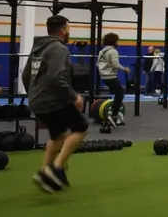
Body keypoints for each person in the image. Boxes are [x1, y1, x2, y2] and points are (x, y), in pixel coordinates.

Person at [24, 16, 89, 192]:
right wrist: (74, 97)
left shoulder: (38, 48)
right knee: (81, 126)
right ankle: (57, 168)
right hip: (51, 100)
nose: (69, 32)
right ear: (62, 31)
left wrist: (32, 95)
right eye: (68, 28)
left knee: (58, 135)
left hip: (37, 101)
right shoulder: (59, 48)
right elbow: (56, 77)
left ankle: (44, 171)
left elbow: (25, 75)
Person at [96, 33, 129, 127]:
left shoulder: (102, 51)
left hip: (103, 77)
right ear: (114, 41)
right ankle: (113, 113)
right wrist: (125, 69)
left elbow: (98, 64)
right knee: (120, 94)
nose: (118, 42)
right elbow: (115, 64)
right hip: (111, 76)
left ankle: (115, 113)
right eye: (117, 40)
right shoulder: (113, 51)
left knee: (118, 94)